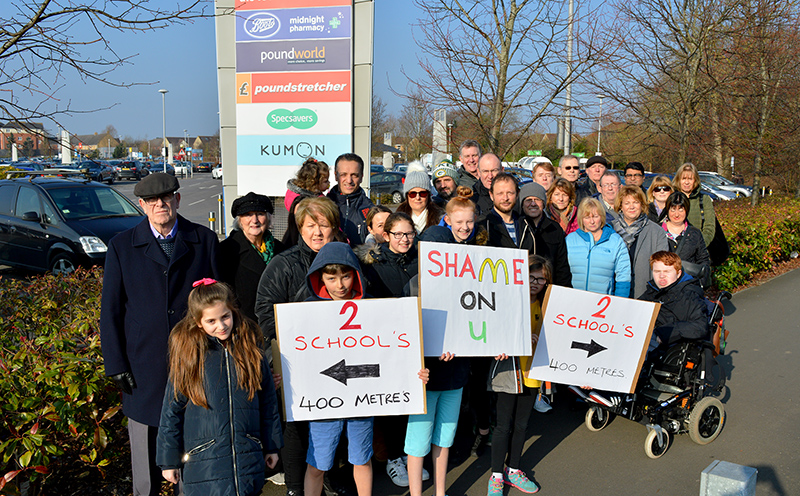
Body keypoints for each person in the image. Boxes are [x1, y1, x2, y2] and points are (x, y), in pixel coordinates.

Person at [100, 173, 219, 496]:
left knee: (192, 456)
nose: (160, 205)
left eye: (166, 198)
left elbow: (219, 303)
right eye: (152, 201)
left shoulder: (204, 240)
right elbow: (110, 311)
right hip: (142, 367)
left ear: (178, 200)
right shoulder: (122, 247)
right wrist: (115, 364)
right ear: (141, 205)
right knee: (145, 470)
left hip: (194, 364)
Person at [157, 280, 283, 495]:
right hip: (204, 464)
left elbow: (268, 402)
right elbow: (171, 412)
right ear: (199, 322)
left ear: (233, 311)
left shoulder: (251, 350)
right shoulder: (190, 357)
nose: (221, 326)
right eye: (211, 321)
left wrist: (271, 446)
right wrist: (168, 460)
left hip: (247, 457)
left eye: (225, 317)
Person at [254, 196, 339, 496]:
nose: (317, 232)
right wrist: (278, 354)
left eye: (324, 225)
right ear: (299, 228)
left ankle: (324, 476)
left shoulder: (343, 259)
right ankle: (294, 486)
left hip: (337, 359)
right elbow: (264, 310)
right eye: (310, 226)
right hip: (294, 360)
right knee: (296, 427)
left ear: (334, 228)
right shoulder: (283, 263)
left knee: (331, 421)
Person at [359, 212, 426, 487]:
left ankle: (411, 455)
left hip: (417, 341)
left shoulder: (422, 260)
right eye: (398, 234)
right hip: (386, 344)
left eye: (409, 233)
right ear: (385, 235)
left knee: (413, 403)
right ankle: (393, 459)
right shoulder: (372, 264)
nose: (405, 239)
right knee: (390, 405)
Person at [303, 242, 374, 496]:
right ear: (319, 277)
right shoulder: (307, 310)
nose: (340, 285)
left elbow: (390, 353)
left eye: (345, 276)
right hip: (324, 400)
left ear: (355, 274)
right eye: (331, 278)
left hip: (363, 397)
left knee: (362, 458)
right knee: (317, 464)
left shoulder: (373, 307)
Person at [403, 232, 469, 496]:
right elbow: (402, 335)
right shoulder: (412, 285)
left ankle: (441, 492)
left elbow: (478, 327)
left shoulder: (465, 285)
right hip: (424, 379)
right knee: (418, 442)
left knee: (444, 438)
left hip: (455, 376)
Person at [485, 255, 550, 496]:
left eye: (540, 279)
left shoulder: (547, 307)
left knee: (521, 425)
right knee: (503, 426)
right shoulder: (508, 303)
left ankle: (513, 470)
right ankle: (496, 475)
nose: (535, 283)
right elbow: (492, 330)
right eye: (530, 277)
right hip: (508, 372)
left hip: (533, 373)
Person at [219, 192, 285, 324]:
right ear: (239, 220)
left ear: (268, 218)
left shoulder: (281, 249)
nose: (254, 220)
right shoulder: (225, 251)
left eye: (260, 214)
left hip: (278, 323)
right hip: (245, 326)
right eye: (248, 215)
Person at [639, 251, 709, 352]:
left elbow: (700, 326)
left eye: (667, 271)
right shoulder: (651, 292)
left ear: (678, 273)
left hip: (672, 347)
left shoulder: (689, 295)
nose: (661, 276)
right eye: (657, 271)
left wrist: (665, 333)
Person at [610, 186, 668, 298]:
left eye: (636, 202)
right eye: (627, 203)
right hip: (614, 292)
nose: (631, 207)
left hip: (644, 294)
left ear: (642, 205)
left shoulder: (656, 231)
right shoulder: (610, 229)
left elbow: (662, 267)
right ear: (621, 206)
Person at [566, 198, 631, 297]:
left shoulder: (615, 241)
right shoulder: (570, 240)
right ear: (581, 219)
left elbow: (624, 275)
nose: (592, 221)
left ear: (601, 217)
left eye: (595, 216)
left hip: (603, 301)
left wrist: (620, 301)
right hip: (574, 299)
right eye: (587, 217)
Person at [518, 182, 572, 288]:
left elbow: (562, 266)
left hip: (547, 288)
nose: (533, 204)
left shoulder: (554, 228)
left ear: (543, 203)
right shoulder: (516, 226)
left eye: (537, 199)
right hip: (521, 287)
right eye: (528, 200)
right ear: (522, 203)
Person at [661, 191, 710, 282]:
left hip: (688, 287)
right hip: (662, 286)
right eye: (673, 209)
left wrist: (699, 284)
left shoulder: (694, 233)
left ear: (686, 210)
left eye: (681, 209)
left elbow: (703, 260)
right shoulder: (657, 231)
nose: (676, 214)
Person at [327, 153, 374, 245]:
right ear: (336, 176)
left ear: (361, 177)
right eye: (343, 175)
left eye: (354, 175)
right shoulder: (324, 205)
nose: (349, 180)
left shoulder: (370, 209)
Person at [673, 162, 716, 247]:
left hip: (698, 249)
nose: (687, 182)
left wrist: (698, 246)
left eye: (690, 179)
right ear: (678, 180)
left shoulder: (704, 199)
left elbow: (709, 227)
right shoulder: (672, 198)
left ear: (695, 180)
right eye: (683, 178)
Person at [478, 172, 521, 248]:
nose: (505, 198)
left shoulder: (526, 225)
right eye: (500, 193)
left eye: (510, 193)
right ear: (491, 195)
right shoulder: (483, 224)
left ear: (517, 194)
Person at [397, 167, 444, 234]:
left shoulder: (440, 218)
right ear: (407, 196)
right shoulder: (397, 217)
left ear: (428, 195)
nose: (418, 197)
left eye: (423, 193)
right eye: (413, 194)